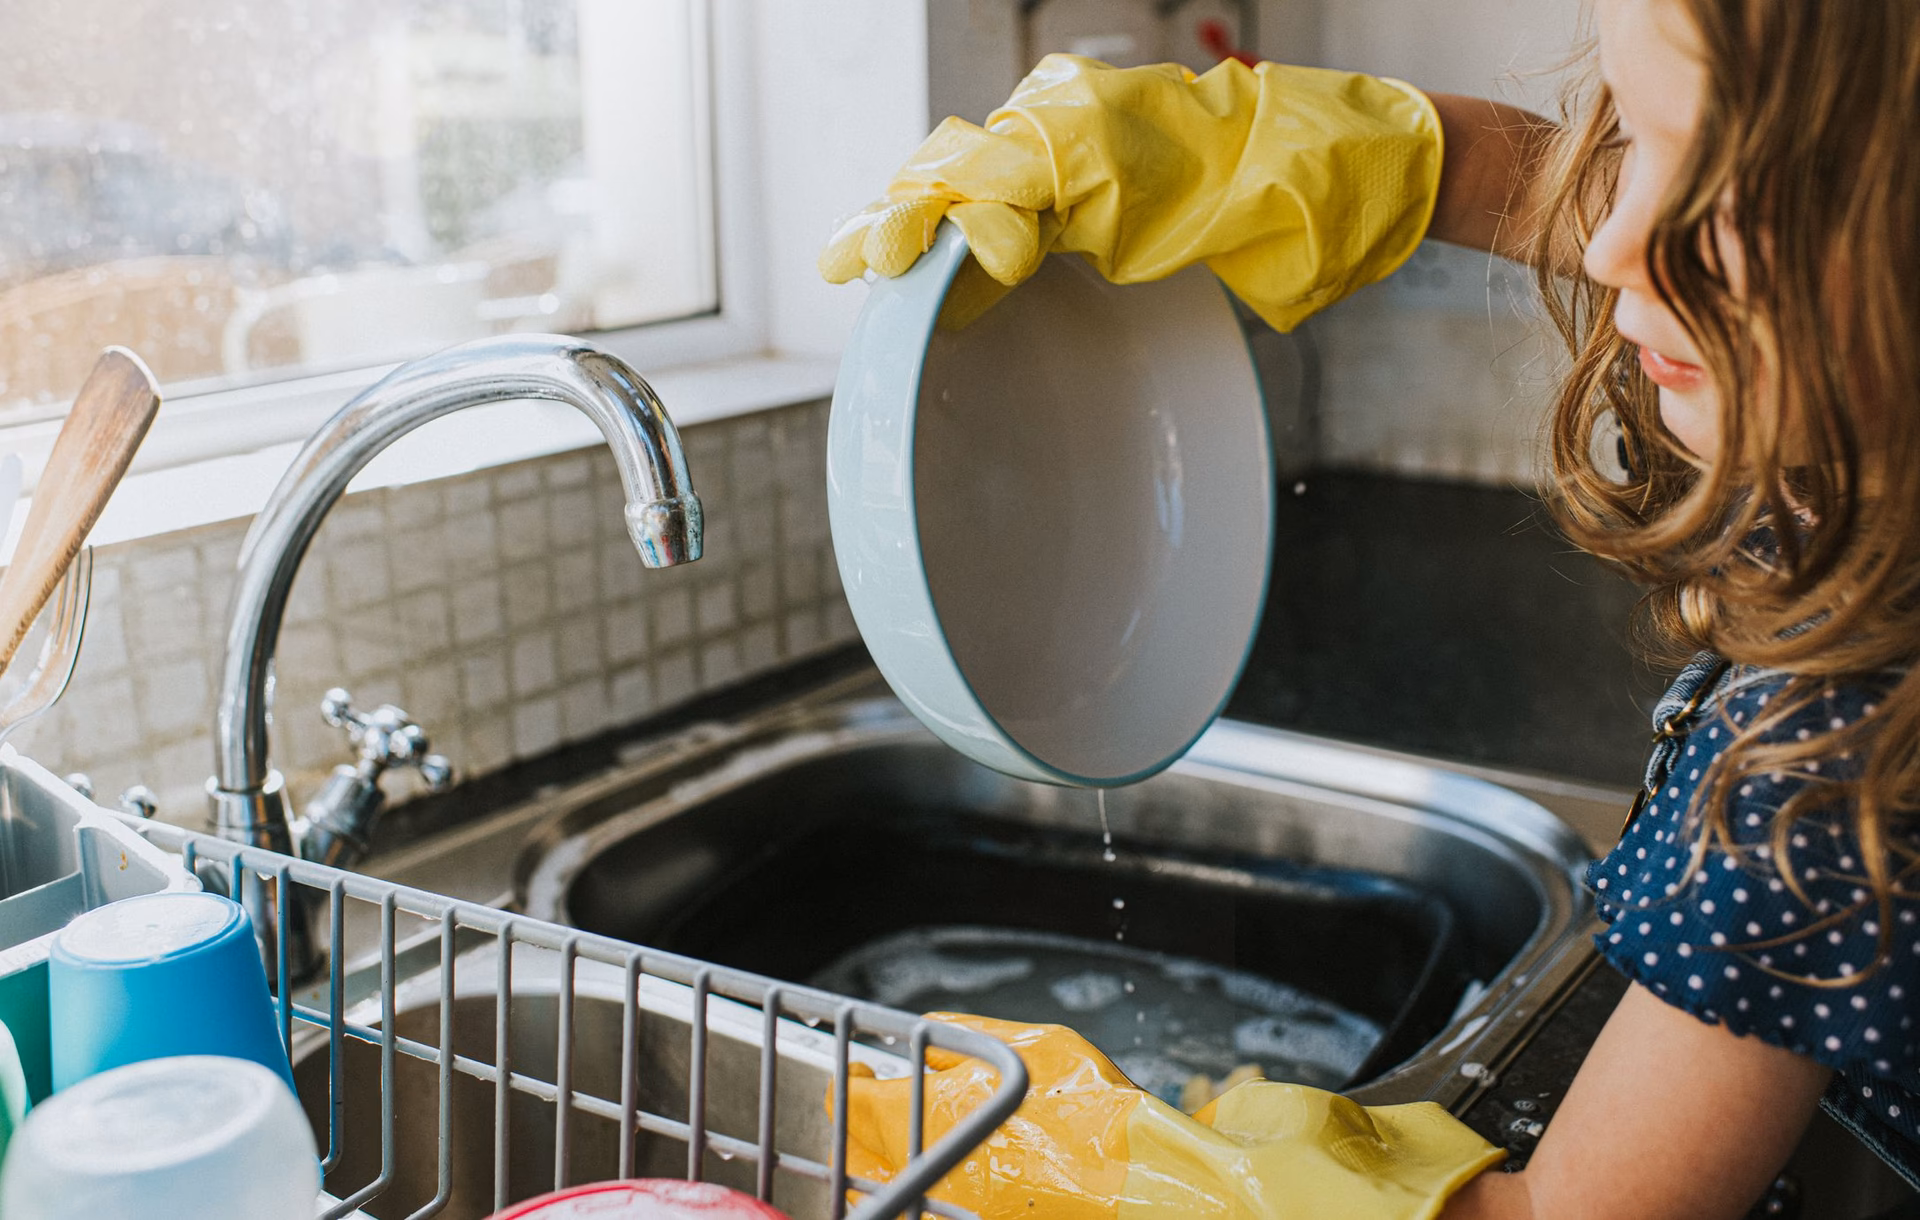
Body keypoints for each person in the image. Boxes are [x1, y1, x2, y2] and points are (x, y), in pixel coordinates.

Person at [822, 1, 1920, 1216]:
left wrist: (1118, 1177)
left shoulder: (1847, 754)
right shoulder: (1876, 476)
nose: (1609, 242)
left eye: (1720, 188)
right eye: (1635, 136)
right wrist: (1353, 151)